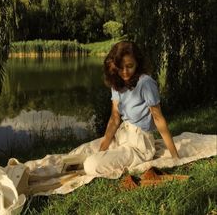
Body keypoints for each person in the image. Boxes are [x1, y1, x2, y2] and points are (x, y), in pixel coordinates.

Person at [70, 41, 179, 176]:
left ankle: (99, 160)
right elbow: (115, 118)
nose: (125, 72)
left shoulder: (145, 82)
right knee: (79, 154)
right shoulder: (117, 83)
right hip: (122, 136)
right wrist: (102, 149)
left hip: (139, 145)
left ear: (137, 63)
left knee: (91, 164)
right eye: (120, 67)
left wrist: (175, 157)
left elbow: (158, 118)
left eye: (129, 66)